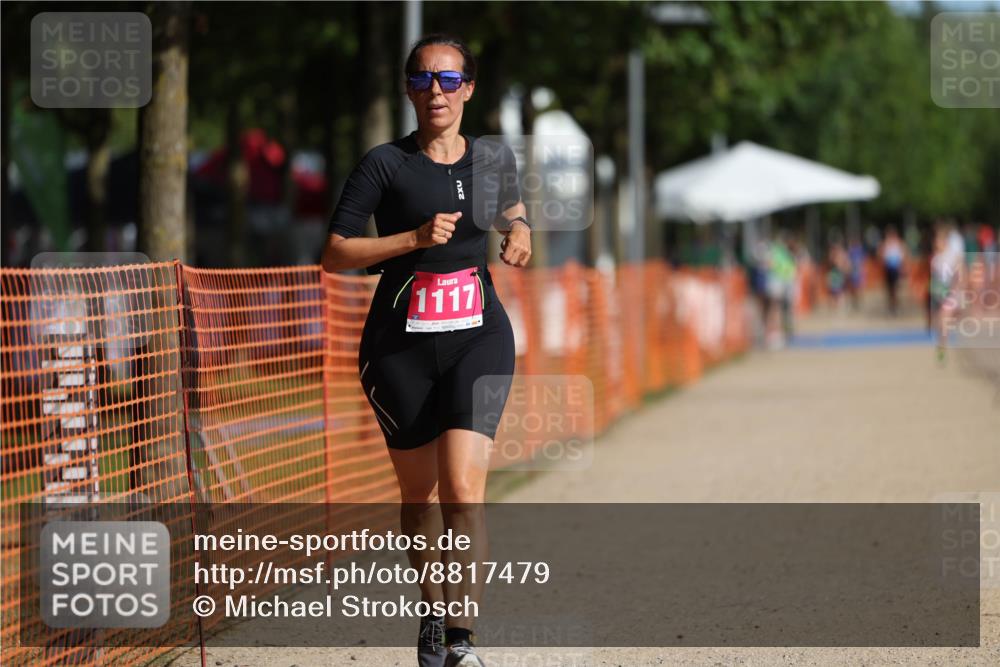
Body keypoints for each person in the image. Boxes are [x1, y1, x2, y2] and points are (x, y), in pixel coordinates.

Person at [321, 34, 531, 667]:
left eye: (448, 81)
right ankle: (433, 615)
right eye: (422, 80)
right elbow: (335, 253)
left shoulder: (492, 159)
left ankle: (462, 641)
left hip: (478, 338)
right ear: (408, 89)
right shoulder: (384, 164)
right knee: (419, 500)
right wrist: (410, 238)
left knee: (463, 492)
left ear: (468, 88)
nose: (435, 92)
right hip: (399, 347)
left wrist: (518, 231)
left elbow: (511, 213)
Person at [879, 226, 906, 316]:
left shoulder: (898, 243)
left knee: (895, 289)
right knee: (889, 289)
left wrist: (902, 268)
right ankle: (891, 306)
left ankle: (895, 306)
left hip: (896, 269)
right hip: (888, 269)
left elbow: (903, 255)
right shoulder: (885, 244)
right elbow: (880, 254)